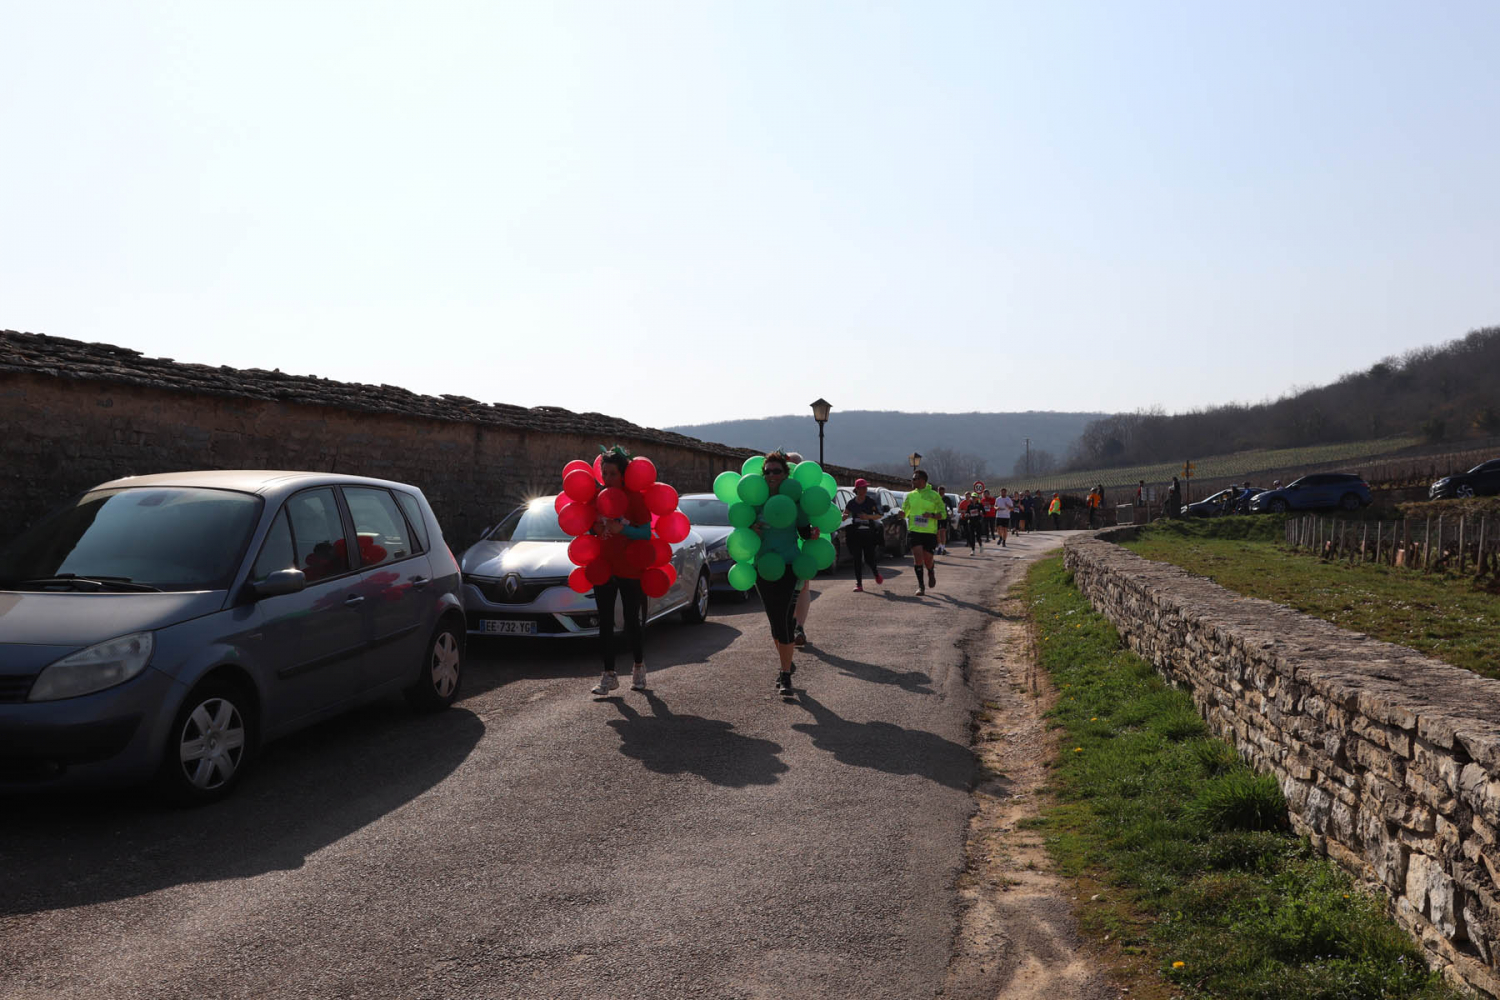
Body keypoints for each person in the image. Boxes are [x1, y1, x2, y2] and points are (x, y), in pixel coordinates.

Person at [752, 451, 819, 696]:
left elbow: (803, 531)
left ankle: (785, 675)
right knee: (775, 621)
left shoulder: (794, 500)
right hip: (763, 566)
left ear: (785, 474)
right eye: (767, 471)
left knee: (782, 618)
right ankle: (785, 660)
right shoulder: (755, 500)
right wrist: (751, 528)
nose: (771, 475)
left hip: (789, 565)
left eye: (776, 471)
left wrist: (812, 533)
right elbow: (744, 527)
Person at [589, 449, 653, 697]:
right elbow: (590, 524)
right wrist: (596, 528)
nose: (607, 478)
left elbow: (645, 533)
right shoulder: (597, 497)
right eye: (604, 473)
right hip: (604, 566)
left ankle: (638, 667)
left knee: (631, 621)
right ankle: (609, 675)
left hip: (630, 567)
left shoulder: (634, 498)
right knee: (604, 622)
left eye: (613, 474)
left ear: (623, 475)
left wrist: (622, 530)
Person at [901, 470, 945, 595]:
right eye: (912, 479)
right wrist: (901, 514)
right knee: (918, 558)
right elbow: (905, 512)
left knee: (927, 559)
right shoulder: (910, 495)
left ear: (922, 480)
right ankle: (921, 586)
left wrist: (931, 515)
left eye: (915, 479)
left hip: (929, 532)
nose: (912, 481)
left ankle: (931, 571)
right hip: (914, 531)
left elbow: (943, 514)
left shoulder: (934, 495)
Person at [843, 478, 884, 591]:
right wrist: (844, 516)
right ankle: (859, 584)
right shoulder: (851, 503)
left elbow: (879, 515)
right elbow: (845, 514)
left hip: (868, 534)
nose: (865, 489)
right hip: (855, 534)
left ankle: (876, 573)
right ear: (857, 489)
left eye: (866, 487)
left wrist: (868, 517)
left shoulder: (870, 502)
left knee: (869, 559)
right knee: (857, 558)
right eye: (863, 487)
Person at [959, 487, 986, 554]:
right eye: (972, 497)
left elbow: (984, 512)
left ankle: (981, 546)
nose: (973, 499)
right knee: (972, 537)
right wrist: (967, 515)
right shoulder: (969, 506)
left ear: (977, 498)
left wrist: (981, 512)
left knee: (978, 537)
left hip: (978, 522)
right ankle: (973, 550)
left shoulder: (980, 505)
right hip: (971, 522)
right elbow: (967, 513)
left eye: (974, 497)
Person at [935, 485, 953, 555]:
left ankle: (943, 548)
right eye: (939, 491)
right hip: (936, 517)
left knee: (943, 532)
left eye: (942, 491)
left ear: (944, 491)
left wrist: (951, 513)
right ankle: (940, 545)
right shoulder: (935, 498)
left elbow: (950, 508)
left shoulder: (947, 499)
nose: (941, 492)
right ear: (938, 491)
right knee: (937, 532)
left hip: (944, 517)